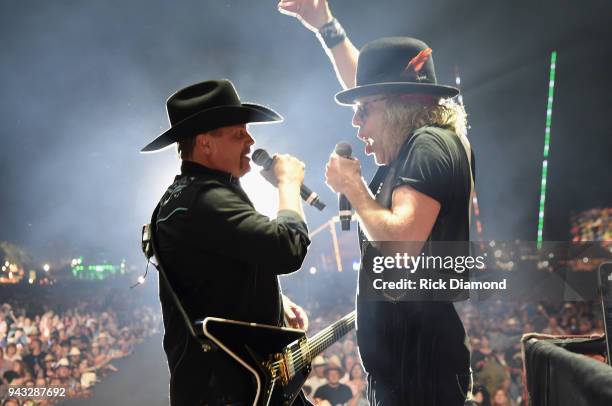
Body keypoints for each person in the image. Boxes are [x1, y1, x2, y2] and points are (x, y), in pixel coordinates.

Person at [279, 2, 473, 404]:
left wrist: (353, 187)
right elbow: (369, 84)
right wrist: (326, 27)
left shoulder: (429, 144)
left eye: (364, 112)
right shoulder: (418, 138)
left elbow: (400, 248)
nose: (356, 123)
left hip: (420, 378)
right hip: (408, 373)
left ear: (400, 106)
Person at [141, 79, 312, 405]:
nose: (250, 140)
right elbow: (288, 248)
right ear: (205, 143)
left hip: (238, 382)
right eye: (238, 134)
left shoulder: (185, 195)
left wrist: (277, 303)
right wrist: (287, 185)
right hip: (228, 390)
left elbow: (220, 273)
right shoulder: (207, 198)